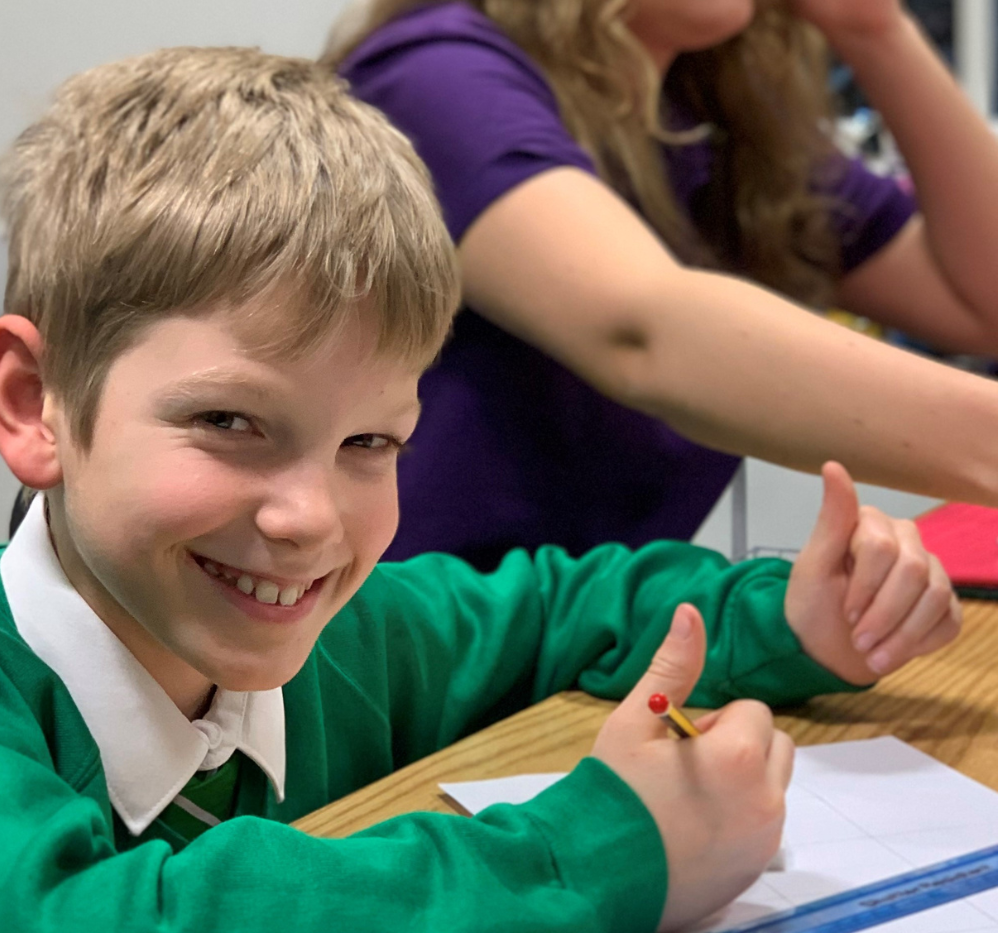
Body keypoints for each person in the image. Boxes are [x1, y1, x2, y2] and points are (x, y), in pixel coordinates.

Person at [0, 47, 959, 933]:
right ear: (30, 404)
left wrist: (793, 618)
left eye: (372, 445)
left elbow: (562, 610)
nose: (308, 519)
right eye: (228, 421)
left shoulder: (342, 638)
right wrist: (590, 853)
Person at [333, 1, 998, 568]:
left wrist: (873, 28)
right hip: (408, 667)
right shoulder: (432, 76)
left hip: (574, 648)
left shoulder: (706, 124)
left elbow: (980, 303)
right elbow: (640, 331)